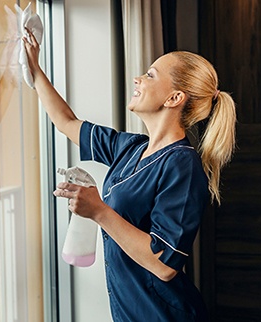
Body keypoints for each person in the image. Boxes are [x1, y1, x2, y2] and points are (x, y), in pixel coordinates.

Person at [23, 28, 236, 322]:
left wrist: (98, 210)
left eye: (151, 75)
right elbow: (67, 122)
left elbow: (165, 264)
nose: (138, 78)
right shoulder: (130, 147)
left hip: (162, 315)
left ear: (174, 97)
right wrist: (35, 71)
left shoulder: (183, 165)